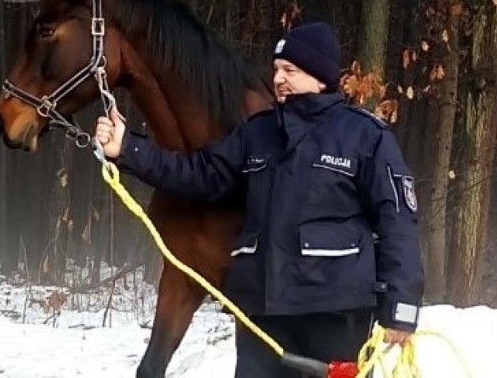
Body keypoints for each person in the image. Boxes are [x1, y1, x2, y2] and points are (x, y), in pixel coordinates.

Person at [95, 22, 424, 377]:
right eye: (276, 69)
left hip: (335, 313)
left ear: (319, 77)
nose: (278, 78)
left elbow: (397, 222)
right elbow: (198, 172)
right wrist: (128, 148)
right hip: (262, 314)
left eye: (290, 70)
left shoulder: (365, 135)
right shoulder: (258, 132)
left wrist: (401, 306)